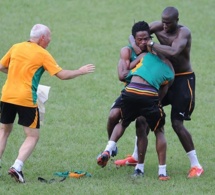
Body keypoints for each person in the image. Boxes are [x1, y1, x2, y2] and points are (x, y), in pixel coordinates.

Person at [114, 6, 204, 178]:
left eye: (168, 23)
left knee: (177, 123)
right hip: (161, 78)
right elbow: (135, 35)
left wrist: (152, 44)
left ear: (176, 21)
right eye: (162, 22)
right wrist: (137, 47)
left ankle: (196, 165)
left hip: (181, 79)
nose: (163, 26)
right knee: (144, 115)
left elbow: (174, 51)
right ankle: (135, 157)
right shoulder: (156, 26)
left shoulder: (183, 33)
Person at [0, 24, 95, 183]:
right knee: (32, 136)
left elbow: (2, 66)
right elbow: (62, 75)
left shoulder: (16, 47)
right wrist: (81, 71)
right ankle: (17, 166)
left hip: (7, 96)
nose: (50, 41)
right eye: (49, 38)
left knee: (3, 132)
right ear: (42, 38)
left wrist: (18, 74)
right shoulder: (42, 54)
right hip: (26, 98)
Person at [97, 21, 174, 180]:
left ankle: (132, 163)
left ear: (150, 38)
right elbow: (122, 75)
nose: (143, 42)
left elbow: (131, 72)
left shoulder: (149, 54)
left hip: (134, 92)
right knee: (113, 116)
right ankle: (112, 149)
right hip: (131, 91)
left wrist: (141, 67)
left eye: (146, 39)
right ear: (134, 39)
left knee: (140, 123)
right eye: (139, 39)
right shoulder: (128, 51)